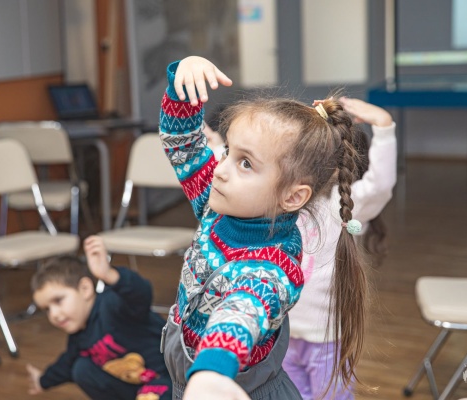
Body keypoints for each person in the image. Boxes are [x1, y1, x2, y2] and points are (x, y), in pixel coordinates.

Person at [158, 56, 369, 400]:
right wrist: (182, 87)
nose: (220, 170)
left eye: (245, 163)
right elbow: (182, 144)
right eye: (227, 151)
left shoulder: (274, 265)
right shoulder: (216, 203)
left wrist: (213, 369)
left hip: (224, 385)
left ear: (292, 196)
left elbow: (240, 312)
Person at [283, 98, 397, 400]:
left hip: (327, 338)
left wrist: (383, 124)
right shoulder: (286, 198)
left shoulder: (343, 205)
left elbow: (381, 185)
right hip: (281, 332)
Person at [25, 236, 172, 400]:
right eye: (47, 309)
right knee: (81, 369)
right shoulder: (78, 337)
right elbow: (65, 365)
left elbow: (141, 293)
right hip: (136, 386)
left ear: (85, 289)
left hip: (170, 377)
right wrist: (42, 381)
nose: (54, 314)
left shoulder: (112, 305)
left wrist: (110, 275)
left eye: (58, 301)